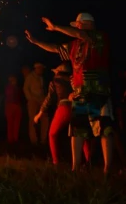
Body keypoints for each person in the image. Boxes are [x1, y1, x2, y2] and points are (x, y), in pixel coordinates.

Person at [26, 12, 114, 174]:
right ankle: (75, 167)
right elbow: (55, 48)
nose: (77, 27)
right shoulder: (74, 45)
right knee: (78, 128)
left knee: (103, 127)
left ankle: (107, 169)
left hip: (98, 91)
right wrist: (37, 42)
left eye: (79, 24)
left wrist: (56, 27)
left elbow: (82, 34)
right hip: (80, 92)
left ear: (87, 24)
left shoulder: (99, 38)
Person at [35, 63, 73, 165]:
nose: (55, 73)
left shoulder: (55, 81)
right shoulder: (74, 80)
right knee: (79, 134)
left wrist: (39, 113)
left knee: (52, 134)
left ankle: (56, 161)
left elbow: (49, 99)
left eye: (56, 71)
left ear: (58, 72)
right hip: (76, 108)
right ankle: (88, 161)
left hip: (63, 108)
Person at [23, 62, 47, 147]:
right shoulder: (30, 77)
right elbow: (26, 88)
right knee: (32, 120)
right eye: (40, 68)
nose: (41, 70)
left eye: (42, 69)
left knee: (45, 118)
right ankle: (34, 140)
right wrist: (30, 98)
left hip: (41, 100)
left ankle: (43, 140)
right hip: (33, 100)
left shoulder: (41, 78)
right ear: (36, 68)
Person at [4, 74, 23, 145]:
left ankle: (15, 138)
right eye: (12, 79)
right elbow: (9, 96)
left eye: (14, 79)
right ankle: (11, 139)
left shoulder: (17, 88)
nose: (14, 81)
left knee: (16, 123)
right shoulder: (9, 88)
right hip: (10, 106)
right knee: (10, 123)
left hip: (16, 106)